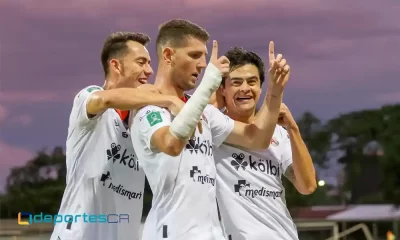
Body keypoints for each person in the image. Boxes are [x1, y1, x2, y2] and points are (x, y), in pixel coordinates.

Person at [129, 19, 290, 240]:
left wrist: (275, 89)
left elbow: (258, 138)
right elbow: (172, 144)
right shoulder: (148, 109)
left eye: (204, 57)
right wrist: (208, 85)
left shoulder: (205, 113)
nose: (203, 64)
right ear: (168, 56)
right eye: (194, 55)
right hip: (170, 233)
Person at [50, 32, 187, 240]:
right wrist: (167, 99)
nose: (149, 70)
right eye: (141, 62)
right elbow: (103, 100)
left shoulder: (144, 119)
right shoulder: (88, 98)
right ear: (116, 66)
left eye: (150, 63)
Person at [213, 47, 317, 240]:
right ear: (223, 89)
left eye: (252, 82)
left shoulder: (279, 133)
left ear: (260, 88)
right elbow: (254, 136)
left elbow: (307, 186)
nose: (245, 88)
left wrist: (293, 130)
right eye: (236, 82)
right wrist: (275, 93)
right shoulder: (215, 128)